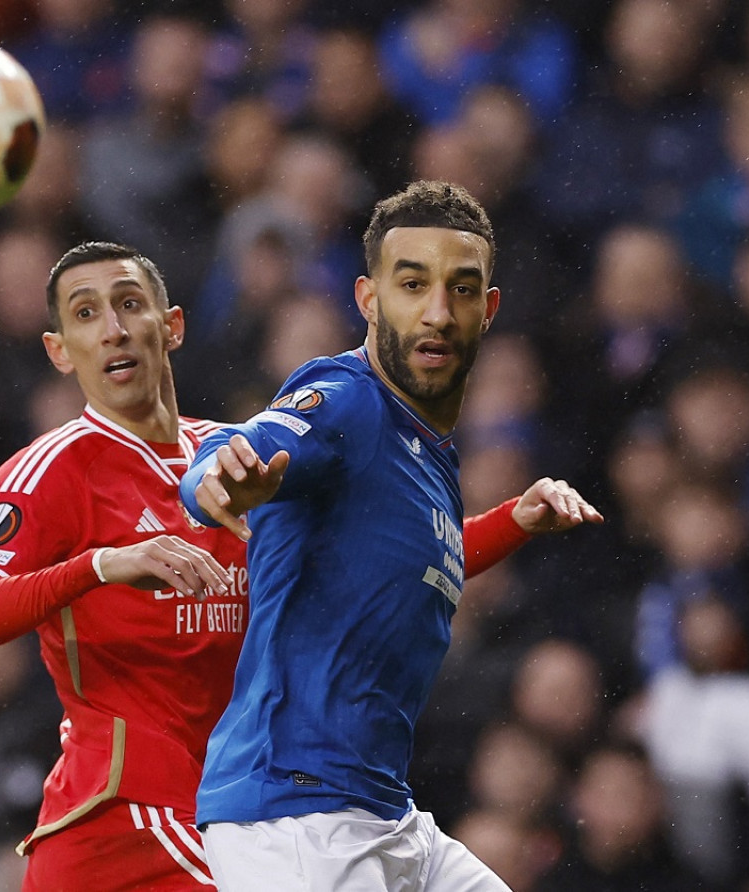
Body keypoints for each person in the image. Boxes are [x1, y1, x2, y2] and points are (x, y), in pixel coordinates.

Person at [180, 180, 603, 890]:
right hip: (295, 814)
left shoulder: (428, 450)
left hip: (383, 813)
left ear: (488, 310)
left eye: (461, 289)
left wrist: (516, 519)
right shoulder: (345, 398)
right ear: (369, 300)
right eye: (412, 285)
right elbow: (231, 457)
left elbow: (414, 559)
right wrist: (217, 479)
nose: (438, 313)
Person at [0, 241, 247, 891]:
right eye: (87, 313)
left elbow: (383, 567)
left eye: (129, 304)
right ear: (60, 350)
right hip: (126, 817)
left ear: (172, 325)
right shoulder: (51, 473)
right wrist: (98, 566)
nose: (114, 329)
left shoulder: (238, 455)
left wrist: (512, 522)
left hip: (231, 801)